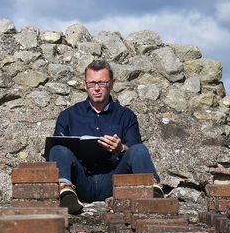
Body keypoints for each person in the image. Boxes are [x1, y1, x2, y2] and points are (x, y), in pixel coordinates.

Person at [48, 59, 163, 214]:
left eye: (102, 83)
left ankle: (153, 191)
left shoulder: (126, 116)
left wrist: (121, 148)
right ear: (85, 84)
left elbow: (134, 148)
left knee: (139, 149)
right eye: (92, 83)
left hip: (114, 180)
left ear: (112, 83)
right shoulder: (68, 116)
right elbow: (58, 156)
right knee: (58, 148)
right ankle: (66, 194)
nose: (96, 88)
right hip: (80, 181)